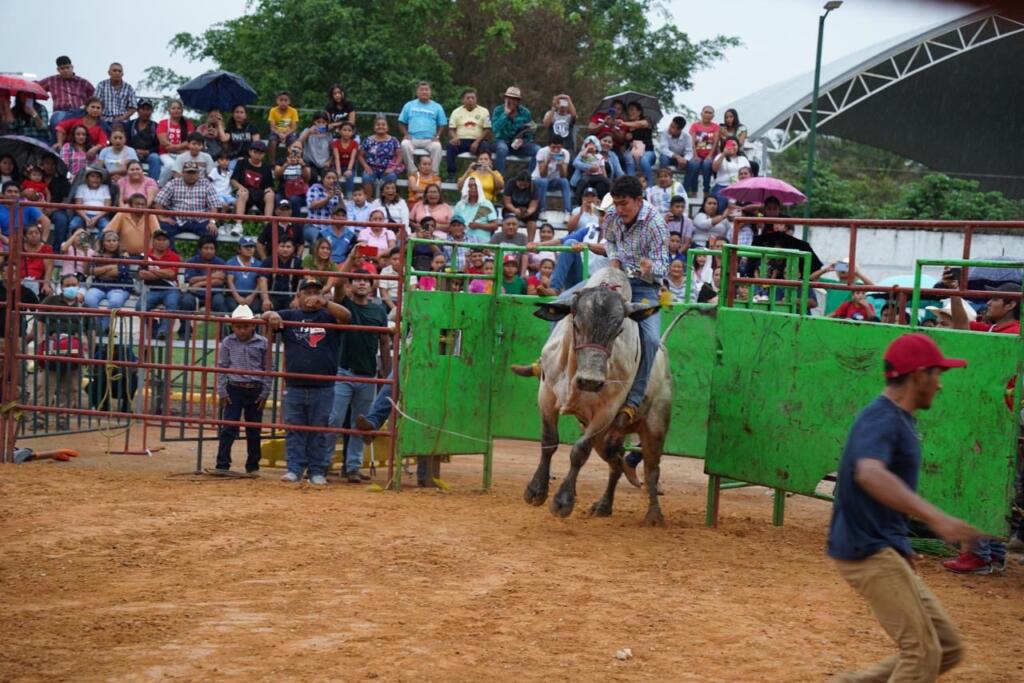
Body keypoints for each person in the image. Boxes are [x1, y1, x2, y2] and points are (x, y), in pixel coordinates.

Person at [827, 333, 977, 682]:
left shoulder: (896, 419)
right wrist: (936, 517)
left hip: (882, 548)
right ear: (918, 375)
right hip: (867, 552)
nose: (940, 385)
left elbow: (877, 488)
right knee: (922, 654)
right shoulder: (882, 418)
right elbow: (869, 473)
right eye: (937, 374)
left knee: (948, 647)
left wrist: (900, 543)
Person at [942, 281, 1020, 574]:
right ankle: (992, 553)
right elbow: (962, 325)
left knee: (977, 483)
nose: (988, 303)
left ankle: (977, 553)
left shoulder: (1014, 334)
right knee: (994, 485)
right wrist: (956, 295)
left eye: (995, 299)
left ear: (1011, 304)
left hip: (998, 419)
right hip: (997, 417)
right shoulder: (993, 330)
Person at [262, 277, 351, 485]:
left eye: (316, 292)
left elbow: (347, 316)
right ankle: (295, 468)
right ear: (298, 296)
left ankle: (316, 470)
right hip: (295, 384)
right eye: (307, 292)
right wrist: (272, 313)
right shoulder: (289, 315)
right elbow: (264, 315)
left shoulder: (329, 315)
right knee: (294, 428)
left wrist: (326, 303)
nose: (311, 296)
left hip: (324, 384)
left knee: (320, 429)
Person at [328, 267, 390, 482]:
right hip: (344, 370)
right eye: (358, 280)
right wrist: (352, 258)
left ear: (372, 286)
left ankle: (352, 466)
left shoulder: (379, 311)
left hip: (368, 373)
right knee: (334, 419)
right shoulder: (344, 303)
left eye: (366, 280)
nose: (362, 283)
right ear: (350, 284)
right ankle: (323, 463)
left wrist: (386, 374)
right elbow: (336, 285)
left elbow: (384, 341)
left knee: (359, 422)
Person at [215, 304, 273, 474]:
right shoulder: (228, 342)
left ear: (253, 325)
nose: (242, 330)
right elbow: (222, 367)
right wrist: (222, 391)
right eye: (238, 327)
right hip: (234, 388)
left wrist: (265, 392)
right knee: (229, 428)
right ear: (232, 326)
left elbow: (268, 367)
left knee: (254, 429)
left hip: (255, 389)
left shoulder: (263, 343)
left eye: (245, 326)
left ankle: (253, 465)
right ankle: (222, 464)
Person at [528, 188, 607, 293]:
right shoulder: (590, 228)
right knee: (569, 243)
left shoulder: (618, 234)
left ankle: (555, 287)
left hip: (602, 282)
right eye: (601, 214)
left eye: (606, 214)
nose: (603, 217)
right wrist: (538, 244)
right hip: (581, 277)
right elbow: (562, 241)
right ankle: (555, 288)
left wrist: (587, 245)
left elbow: (607, 249)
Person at [153, 161, 220, 244]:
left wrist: (212, 222)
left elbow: (213, 205)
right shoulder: (173, 183)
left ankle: (199, 257)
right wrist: (162, 217)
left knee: (211, 233)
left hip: (200, 220)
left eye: (194, 173)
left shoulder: (206, 183)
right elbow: (158, 201)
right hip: (177, 219)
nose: (191, 175)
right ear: (182, 173)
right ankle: (173, 256)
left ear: (198, 173)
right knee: (162, 231)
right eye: (188, 173)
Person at [177, 234, 227, 338]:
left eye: (212, 248)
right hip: (195, 294)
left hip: (214, 293)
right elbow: (191, 280)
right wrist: (212, 276)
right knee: (186, 301)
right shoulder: (192, 261)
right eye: (206, 248)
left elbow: (219, 280)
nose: (209, 251)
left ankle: (222, 334)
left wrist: (200, 283)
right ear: (200, 250)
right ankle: (184, 332)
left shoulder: (221, 262)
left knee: (220, 301)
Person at [136, 228, 182, 340]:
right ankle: (154, 328)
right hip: (151, 289)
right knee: (139, 307)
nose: (161, 242)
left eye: (164, 240)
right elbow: (142, 275)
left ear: (169, 242)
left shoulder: (174, 256)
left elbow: (171, 274)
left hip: (170, 289)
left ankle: (163, 332)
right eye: (158, 239)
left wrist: (152, 271)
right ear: (153, 240)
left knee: (172, 303)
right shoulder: (145, 255)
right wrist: (163, 272)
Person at [84, 231, 133, 333]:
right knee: (89, 299)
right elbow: (92, 271)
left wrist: (101, 270)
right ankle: (97, 326)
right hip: (99, 285)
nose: (111, 243)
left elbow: (120, 271)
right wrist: (111, 266)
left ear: (118, 242)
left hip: (120, 287)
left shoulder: (124, 254)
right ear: (103, 242)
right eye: (108, 240)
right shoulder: (97, 254)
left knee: (115, 301)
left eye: (114, 240)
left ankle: (100, 330)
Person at [398, 81, 447, 175]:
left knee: (437, 147)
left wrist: (437, 136)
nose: (424, 92)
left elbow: (442, 124)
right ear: (417, 92)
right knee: (404, 144)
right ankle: (412, 172)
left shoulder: (437, 107)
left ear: (430, 92)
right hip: (412, 138)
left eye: (426, 90)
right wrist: (406, 134)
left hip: (429, 140)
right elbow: (401, 122)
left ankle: (433, 174)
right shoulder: (409, 105)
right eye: (421, 90)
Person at [38, 56, 94, 133]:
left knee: (90, 122)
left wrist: (87, 107)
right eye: (62, 68)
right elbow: (36, 87)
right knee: (56, 119)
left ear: (72, 67)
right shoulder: (51, 80)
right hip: (61, 111)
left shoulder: (82, 82)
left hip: (79, 111)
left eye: (68, 68)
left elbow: (94, 96)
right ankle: (56, 143)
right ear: (58, 70)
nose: (66, 70)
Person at [446, 88, 491, 182]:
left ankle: (484, 174)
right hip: (461, 140)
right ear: (463, 100)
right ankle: (451, 175)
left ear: (476, 99)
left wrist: (477, 142)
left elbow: (487, 129)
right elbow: (451, 129)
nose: (470, 100)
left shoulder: (484, 111)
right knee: (450, 146)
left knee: (486, 148)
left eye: (472, 98)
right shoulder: (456, 112)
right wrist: (454, 137)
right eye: (468, 98)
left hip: (478, 140)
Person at [491, 86, 538, 174]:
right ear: (505, 99)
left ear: (518, 101)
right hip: (502, 141)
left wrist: (523, 141)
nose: (512, 101)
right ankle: (499, 181)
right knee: (502, 149)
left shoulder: (525, 112)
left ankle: (529, 179)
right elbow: (495, 129)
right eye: (510, 98)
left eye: (515, 99)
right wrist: (505, 114)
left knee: (538, 150)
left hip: (519, 144)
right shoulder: (498, 110)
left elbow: (530, 131)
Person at [231, 140, 275, 226]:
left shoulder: (266, 168)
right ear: (250, 152)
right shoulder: (241, 163)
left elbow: (269, 186)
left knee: (270, 195)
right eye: (255, 152)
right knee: (242, 192)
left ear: (263, 155)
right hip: (245, 192)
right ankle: (238, 225)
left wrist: (269, 190)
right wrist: (240, 187)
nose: (258, 155)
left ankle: (267, 225)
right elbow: (233, 180)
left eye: (261, 153)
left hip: (260, 193)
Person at [359, 115, 402, 196]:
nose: (380, 126)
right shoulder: (368, 140)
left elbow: (399, 155)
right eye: (378, 125)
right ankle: (369, 203)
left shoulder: (393, 140)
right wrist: (365, 166)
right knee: (366, 177)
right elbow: (360, 155)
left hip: (387, 168)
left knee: (391, 177)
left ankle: (386, 202)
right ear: (374, 127)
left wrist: (393, 168)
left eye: (383, 125)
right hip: (371, 168)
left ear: (387, 127)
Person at [532, 134, 572, 220]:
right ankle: (542, 210)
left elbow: (563, 176)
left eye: (558, 147)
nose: (556, 150)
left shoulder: (565, 153)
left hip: (553, 181)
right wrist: (547, 162)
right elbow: (542, 175)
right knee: (543, 181)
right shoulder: (542, 152)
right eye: (553, 147)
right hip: (538, 180)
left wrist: (561, 166)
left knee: (565, 181)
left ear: (562, 146)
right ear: (549, 146)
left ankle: (567, 211)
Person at [105, 192, 159, 256]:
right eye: (137, 204)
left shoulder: (151, 216)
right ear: (130, 205)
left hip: (146, 256)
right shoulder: (121, 214)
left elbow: (157, 234)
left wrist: (150, 253)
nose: (140, 207)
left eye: (143, 205)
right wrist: (119, 251)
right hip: (123, 255)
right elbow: (109, 232)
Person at [258, 237, 304, 311]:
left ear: (293, 248)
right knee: (267, 307)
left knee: (295, 309)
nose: (285, 249)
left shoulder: (298, 262)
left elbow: (301, 282)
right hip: (272, 296)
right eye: (282, 246)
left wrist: (296, 299)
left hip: (291, 297)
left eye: (288, 247)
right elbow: (262, 280)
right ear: (277, 247)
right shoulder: (268, 261)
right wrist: (266, 299)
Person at [156, 100, 195, 185]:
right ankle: (161, 186)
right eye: (173, 108)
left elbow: (190, 140)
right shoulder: (163, 123)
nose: (176, 110)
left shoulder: (188, 124)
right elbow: (163, 141)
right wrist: (177, 148)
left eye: (178, 108)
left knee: (190, 166)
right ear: (169, 110)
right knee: (171, 165)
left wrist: (176, 148)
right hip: (166, 153)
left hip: (183, 153)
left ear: (182, 110)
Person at [686, 105, 719, 196]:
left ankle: (706, 190)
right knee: (693, 164)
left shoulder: (715, 127)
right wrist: (695, 155)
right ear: (701, 114)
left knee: (707, 164)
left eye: (710, 113)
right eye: (706, 112)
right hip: (697, 154)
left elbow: (715, 142)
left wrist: (710, 155)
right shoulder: (695, 126)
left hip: (710, 154)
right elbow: (692, 142)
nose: (708, 114)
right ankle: (693, 191)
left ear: (713, 116)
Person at [305, 170, 344, 246]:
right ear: (323, 179)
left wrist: (340, 198)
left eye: (334, 178)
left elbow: (343, 212)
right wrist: (327, 198)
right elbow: (312, 206)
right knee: (319, 239)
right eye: (328, 178)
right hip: (313, 225)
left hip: (331, 228)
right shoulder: (315, 189)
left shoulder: (338, 193)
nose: (331, 180)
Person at [710, 139, 750, 214]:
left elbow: (749, 174)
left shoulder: (743, 159)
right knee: (721, 200)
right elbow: (714, 169)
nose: (732, 147)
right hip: (722, 186)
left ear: (738, 147)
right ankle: (719, 218)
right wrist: (723, 154)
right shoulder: (720, 156)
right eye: (729, 145)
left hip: (740, 187)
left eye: (734, 145)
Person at [453, 176, 498, 242]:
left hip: (482, 244)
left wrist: (478, 225)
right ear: (466, 188)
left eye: (475, 186)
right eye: (470, 185)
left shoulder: (486, 204)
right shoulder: (459, 205)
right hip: (462, 244)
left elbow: (495, 226)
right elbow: (452, 225)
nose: (473, 188)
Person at [94, 62, 137, 130]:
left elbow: (133, 107)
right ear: (109, 72)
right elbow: (95, 102)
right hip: (104, 120)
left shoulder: (128, 88)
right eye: (114, 70)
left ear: (122, 74)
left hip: (123, 121)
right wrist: (100, 117)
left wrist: (122, 118)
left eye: (119, 71)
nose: (117, 73)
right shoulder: (102, 85)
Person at [621, 101, 656, 186]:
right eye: (628, 110)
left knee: (644, 160)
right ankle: (631, 186)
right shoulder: (627, 126)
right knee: (629, 159)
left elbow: (641, 124)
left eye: (632, 110)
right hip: (631, 152)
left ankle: (650, 187)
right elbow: (623, 141)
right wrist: (626, 137)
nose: (630, 112)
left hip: (648, 152)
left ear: (639, 112)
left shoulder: (647, 120)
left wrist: (623, 123)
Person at [69, 167, 112, 234]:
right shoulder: (81, 187)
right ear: (87, 178)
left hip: (100, 216)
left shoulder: (105, 188)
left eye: (98, 177)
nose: (95, 179)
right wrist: (86, 218)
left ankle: (98, 244)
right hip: (83, 215)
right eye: (92, 176)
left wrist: (96, 218)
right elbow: (78, 206)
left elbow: (107, 207)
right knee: (73, 225)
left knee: (106, 227)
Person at [126, 99, 161, 181]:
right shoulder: (129, 125)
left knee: (155, 158)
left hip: (149, 154)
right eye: (143, 109)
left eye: (148, 110)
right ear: (138, 110)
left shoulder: (156, 126)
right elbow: (125, 142)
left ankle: (152, 184)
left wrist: (147, 152)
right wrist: (134, 151)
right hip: (132, 153)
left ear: (152, 111)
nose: (145, 112)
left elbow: (158, 145)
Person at [226, 236, 263, 314]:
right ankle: (229, 326)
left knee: (256, 307)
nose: (249, 249)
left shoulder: (259, 264)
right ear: (239, 249)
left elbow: (260, 283)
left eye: (251, 246)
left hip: (253, 297)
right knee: (231, 306)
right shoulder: (231, 262)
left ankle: (255, 326)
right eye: (246, 247)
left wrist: (251, 297)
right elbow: (230, 282)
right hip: (234, 296)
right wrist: (238, 298)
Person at [275, 141, 311, 216]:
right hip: (283, 191)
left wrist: (303, 165)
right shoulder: (281, 161)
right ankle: (277, 224)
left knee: (293, 200)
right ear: (288, 149)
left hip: (300, 194)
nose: (297, 150)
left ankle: (295, 225)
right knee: (277, 198)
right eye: (294, 147)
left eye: (299, 148)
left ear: (302, 151)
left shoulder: (305, 162)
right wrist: (286, 164)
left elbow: (307, 179)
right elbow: (276, 176)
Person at [502, 171, 540, 241]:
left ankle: (530, 242)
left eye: (525, 185)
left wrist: (528, 212)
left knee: (532, 220)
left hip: (527, 209)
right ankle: (507, 239)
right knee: (509, 219)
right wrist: (515, 210)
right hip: (512, 208)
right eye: (520, 184)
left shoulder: (534, 186)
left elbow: (533, 206)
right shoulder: (511, 183)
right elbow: (507, 202)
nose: (522, 187)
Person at [19, 223, 55, 297]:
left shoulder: (46, 249)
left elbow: (49, 269)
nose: (34, 235)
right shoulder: (19, 248)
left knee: (46, 292)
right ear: (25, 237)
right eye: (30, 233)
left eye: (36, 233)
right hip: (20, 284)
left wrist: (46, 285)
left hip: (40, 284)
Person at [266, 91, 300, 165]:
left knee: (294, 143)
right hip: (276, 132)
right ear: (277, 101)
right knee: (272, 142)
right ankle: (272, 164)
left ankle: (291, 163)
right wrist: (279, 134)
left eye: (285, 100)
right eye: (281, 100)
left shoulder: (293, 111)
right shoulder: (273, 111)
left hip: (289, 132)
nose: (283, 102)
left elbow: (294, 127)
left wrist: (285, 134)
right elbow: (272, 127)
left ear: (289, 101)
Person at [330, 120, 360, 195]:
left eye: (349, 130)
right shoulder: (335, 143)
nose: (347, 132)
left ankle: (349, 196)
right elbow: (336, 158)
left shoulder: (354, 143)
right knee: (334, 175)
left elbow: (352, 158)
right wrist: (338, 170)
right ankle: (335, 195)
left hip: (349, 166)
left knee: (349, 176)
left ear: (352, 132)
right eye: (344, 130)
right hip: (337, 166)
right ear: (340, 131)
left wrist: (349, 169)